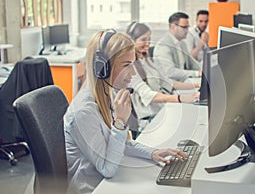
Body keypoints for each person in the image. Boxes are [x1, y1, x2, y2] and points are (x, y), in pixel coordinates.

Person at [63, 30, 187, 194]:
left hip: (109, 182)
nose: (133, 73)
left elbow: (119, 143)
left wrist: (153, 153)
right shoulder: (83, 112)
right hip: (92, 187)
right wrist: (120, 123)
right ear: (103, 67)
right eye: (127, 65)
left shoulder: (108, 92)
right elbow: (108, 168)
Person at [125, 21, 200, 133]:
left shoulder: (146, 60)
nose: (148, 43)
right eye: (143, 39)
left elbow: (167, 83)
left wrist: (196, 85)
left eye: (149, 39)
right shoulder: (130, 68)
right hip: (150, 122)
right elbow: (149, 96)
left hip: (162, 112)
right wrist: (180, 99)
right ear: (132, 41)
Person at [153, 12, 201, 82]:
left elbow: (192, 63)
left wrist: (205, 70)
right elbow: (170, 72)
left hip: (182, 81)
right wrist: (196, 73)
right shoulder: (163, 46)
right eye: (184, 27)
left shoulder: (182, 43)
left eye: (187, 27)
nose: (187, 30)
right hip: (170, 87)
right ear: (173, 27)